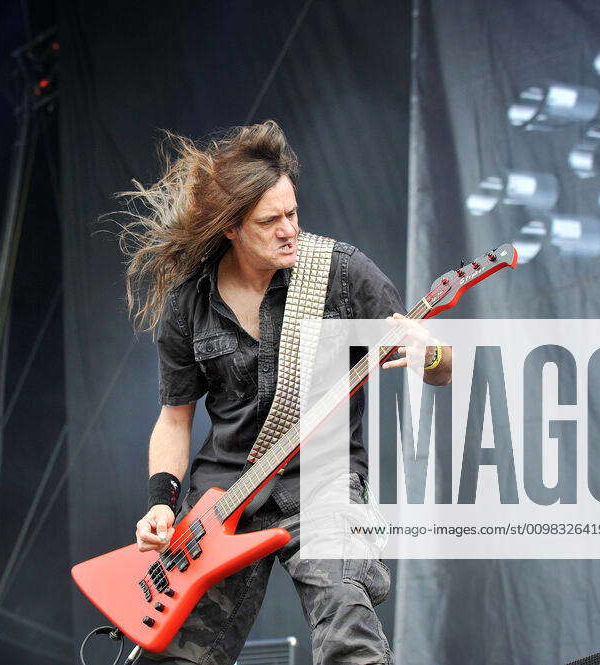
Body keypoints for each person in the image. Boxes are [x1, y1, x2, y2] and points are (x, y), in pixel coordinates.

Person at [116, 120, 451, 665]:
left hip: (324, 479)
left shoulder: (340, 273)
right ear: (230, 228)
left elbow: (440, 366)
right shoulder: (189, 303)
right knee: (177, 655)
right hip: (222, 497)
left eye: (293, 213)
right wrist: (160, 502)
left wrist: (432, 354)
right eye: (270, 221)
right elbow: (174, 419)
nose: (289, 229)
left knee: (348, 627)